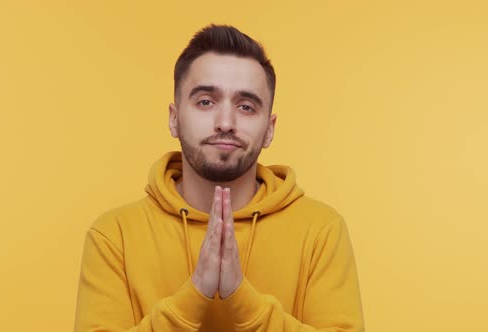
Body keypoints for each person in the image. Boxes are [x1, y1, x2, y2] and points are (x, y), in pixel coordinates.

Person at [74, 24, 364, 332]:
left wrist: (242, 297)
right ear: (174, 118)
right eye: (205, 102)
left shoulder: (320, 230)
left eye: (246, 106)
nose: (225, 122)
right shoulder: (113, 236)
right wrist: (195, 292)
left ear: (269, 129)